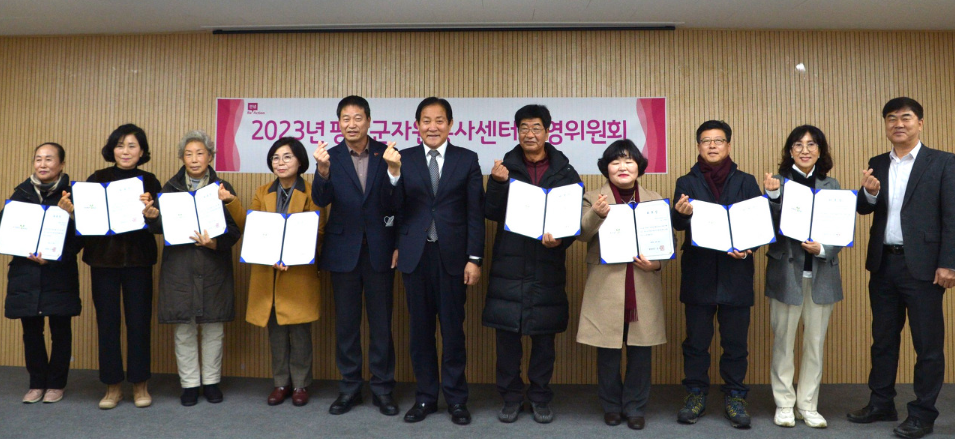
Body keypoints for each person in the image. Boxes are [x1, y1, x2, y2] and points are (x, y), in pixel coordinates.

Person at [849, 97, 955, 439]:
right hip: (883, 264)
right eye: (891, 118)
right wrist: (868, 193)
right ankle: (881, 403)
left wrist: (949, 263)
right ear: (885, 125)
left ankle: (923, 414)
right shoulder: (877, 163)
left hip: (924, 267)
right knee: (883, 340)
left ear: (919, 123)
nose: (898, 124)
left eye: (906, 117)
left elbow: (952, 216)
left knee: (927, 345)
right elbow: (865, 209)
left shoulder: (944, 162)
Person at [383, 97, 485, 425]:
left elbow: (475, 213)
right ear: (417, 125)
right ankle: (425, 397)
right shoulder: (403, 159)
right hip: (415, 255)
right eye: (426, 121)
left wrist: (474, 258)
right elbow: (394, 208)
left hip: (453, 257)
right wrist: (393, 173)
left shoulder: (467, 159)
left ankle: (456, 399)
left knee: (453, 331)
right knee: (420, 331)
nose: (433, 127)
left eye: (439, 120)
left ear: (450, 124)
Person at [482, 104, 581, 424]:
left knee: (543, 339)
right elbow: (490, 212)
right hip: (509, 266)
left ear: (547, 131)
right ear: (517, 132)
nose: (530, 134)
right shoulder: (505, 167)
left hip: (546, 267)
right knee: (507, 340)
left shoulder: (565, 172)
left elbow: (573, 223)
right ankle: (511, 398)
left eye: (536, 128)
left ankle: (539, 397)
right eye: (524, 128)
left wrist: (560, 241)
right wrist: (497, 183)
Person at [312, 96, 399, 416]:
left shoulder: (386, 154)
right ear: (339, 123)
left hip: (380, 251)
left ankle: (383, 389)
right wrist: (322, 172)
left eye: (358, 118)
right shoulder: (330, 157)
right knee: (347, 325)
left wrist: (394, 171)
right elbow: (320, 200)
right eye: (345, 119)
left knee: (381, 325)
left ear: (369, 121)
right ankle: (349, 388)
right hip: (342, 252)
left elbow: (398, 202)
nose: (352, 124)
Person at [65, 124, 162, 409]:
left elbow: (160, 224)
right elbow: (85, 223)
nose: (126, 151)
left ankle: (140, 384)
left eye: (132, 146)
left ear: (142, 151)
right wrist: (72, 214)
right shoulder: (96, 179)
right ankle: (112, 387)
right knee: (107, 323)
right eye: (120, 145)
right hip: (103, 262)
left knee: (139, 323)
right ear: (112, 150)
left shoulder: (149, 180)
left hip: (138, 262)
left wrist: (152, 214)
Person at [671, 120, 761, 428]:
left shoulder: (746, 181)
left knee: (735, 343)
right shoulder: (686, 181)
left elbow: (758, 224)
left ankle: (735, 396)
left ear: (728, 145)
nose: (712, 145)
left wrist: (747, 248)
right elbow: (678, 225)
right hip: (699, 273)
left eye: (718, 140)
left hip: (737, 272)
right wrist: (680, 214)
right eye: (706, 141)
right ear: (698, 146)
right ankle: (695, 394)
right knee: (696, 342)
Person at [145, 130, 243, 406]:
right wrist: (151, 218)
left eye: (200, 153)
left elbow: (235, 230)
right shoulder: (169, 188)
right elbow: (159, 227)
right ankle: (189, 384)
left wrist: (215, 243)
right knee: (183, 329)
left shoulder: (222, 187)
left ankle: (211, 382)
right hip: (180, 269)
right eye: (188, 154)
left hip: (213, 267)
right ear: (182, 158)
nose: (194, 159)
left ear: (210, 156)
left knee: (213, 328)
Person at [577, 140, 668, 430]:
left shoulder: (654, 199)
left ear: (639, 166)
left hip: (642, 283)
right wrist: (597, 213)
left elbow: (667, 241)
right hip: (606, 285)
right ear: (606, 168)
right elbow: (580, 234)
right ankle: (611, 406)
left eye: (629, 161)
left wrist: (657, 264)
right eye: (615, 162)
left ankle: (636, 407)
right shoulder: (592, 197)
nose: (622, 167)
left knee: (641, 351)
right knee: (608, 350)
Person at [763, 125, 843, 428]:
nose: (805, 150)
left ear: (820, 151)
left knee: (815, 344)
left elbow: (840, 228)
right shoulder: (776, 183)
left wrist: (823, 248)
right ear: (790, 151)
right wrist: (772, 197)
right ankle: (784, 404)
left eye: (811, 145)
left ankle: (808, 405)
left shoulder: (832, 185)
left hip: (821, 274)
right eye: (798, 145)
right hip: (786, 273)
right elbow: (765, 227)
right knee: (783, 343)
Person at [246, 137, 326, 407]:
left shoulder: (313, 192)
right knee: (276, 333)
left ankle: (301, 384)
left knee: (300, 332)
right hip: (268, 272)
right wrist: (271, 256)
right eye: (275, 158)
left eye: (287, 157)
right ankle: (281, 383)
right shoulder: (262, 192)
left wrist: (290, 254)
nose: (280, 163)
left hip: (298, 271)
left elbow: (318, 231)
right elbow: (255, 229)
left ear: (300, 161)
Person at [3, 142, 82, 404]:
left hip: (59, 273)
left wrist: (72, 218)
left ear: (61, 164)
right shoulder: (20, 193)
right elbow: (5, 230)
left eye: (49, 159)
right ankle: (36, 383)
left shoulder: (72, 196)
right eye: (38, 159)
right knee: (31, 332)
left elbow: (83, 239)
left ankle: (56, 384)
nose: (43, 164)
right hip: (26, 273)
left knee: (60, 331)